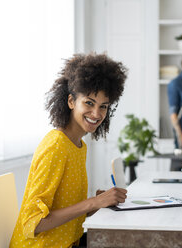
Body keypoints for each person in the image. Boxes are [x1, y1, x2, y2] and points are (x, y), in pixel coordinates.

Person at [9, 53, 128, 248]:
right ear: (71, 101)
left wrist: (98, 202)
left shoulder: (78, 145)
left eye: (103, 107)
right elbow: (33, 222)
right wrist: (93, 203)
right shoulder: (56, 147)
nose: (97, 114)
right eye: (89, 103)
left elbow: (65, 210)